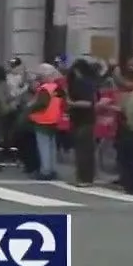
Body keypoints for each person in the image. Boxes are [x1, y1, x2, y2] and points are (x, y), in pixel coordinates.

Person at [27, 64, 65, 180]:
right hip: (54, 119)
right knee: (52, 146)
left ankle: (45, 171)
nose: (39, 78)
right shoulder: (57, 88)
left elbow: (41, 104)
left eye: (40, 76)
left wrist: (30, 107)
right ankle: (52, 169)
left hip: (42, 120)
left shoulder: (45, 89)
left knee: (43, 146)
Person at [66, 58, 99, 186]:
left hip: (83, 120)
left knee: (83, 150)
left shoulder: (82, 83)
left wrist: (71, 103)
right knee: (85, 150)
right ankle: (85, 177)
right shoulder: (89, 82)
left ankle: (84, 178)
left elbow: (88, 103)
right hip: (84, 119)